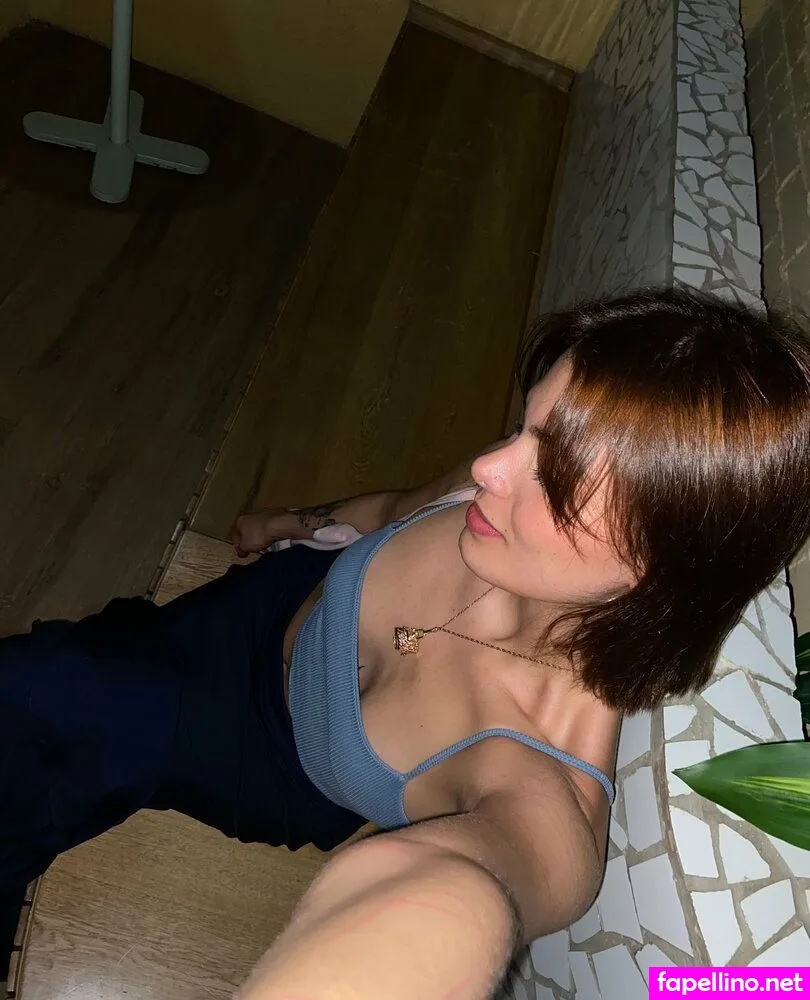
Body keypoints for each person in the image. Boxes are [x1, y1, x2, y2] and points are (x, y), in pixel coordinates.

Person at [3, 288, 810, 1000]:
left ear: (656, 569)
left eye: (555, 477)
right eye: (525, 428)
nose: (490, 467)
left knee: (47, 690)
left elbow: (451, 890)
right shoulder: (498, 502)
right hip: (261, 599)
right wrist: (291, 522)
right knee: (80, 682)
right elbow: (394, 510)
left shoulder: (543, 785)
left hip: (257, 758)